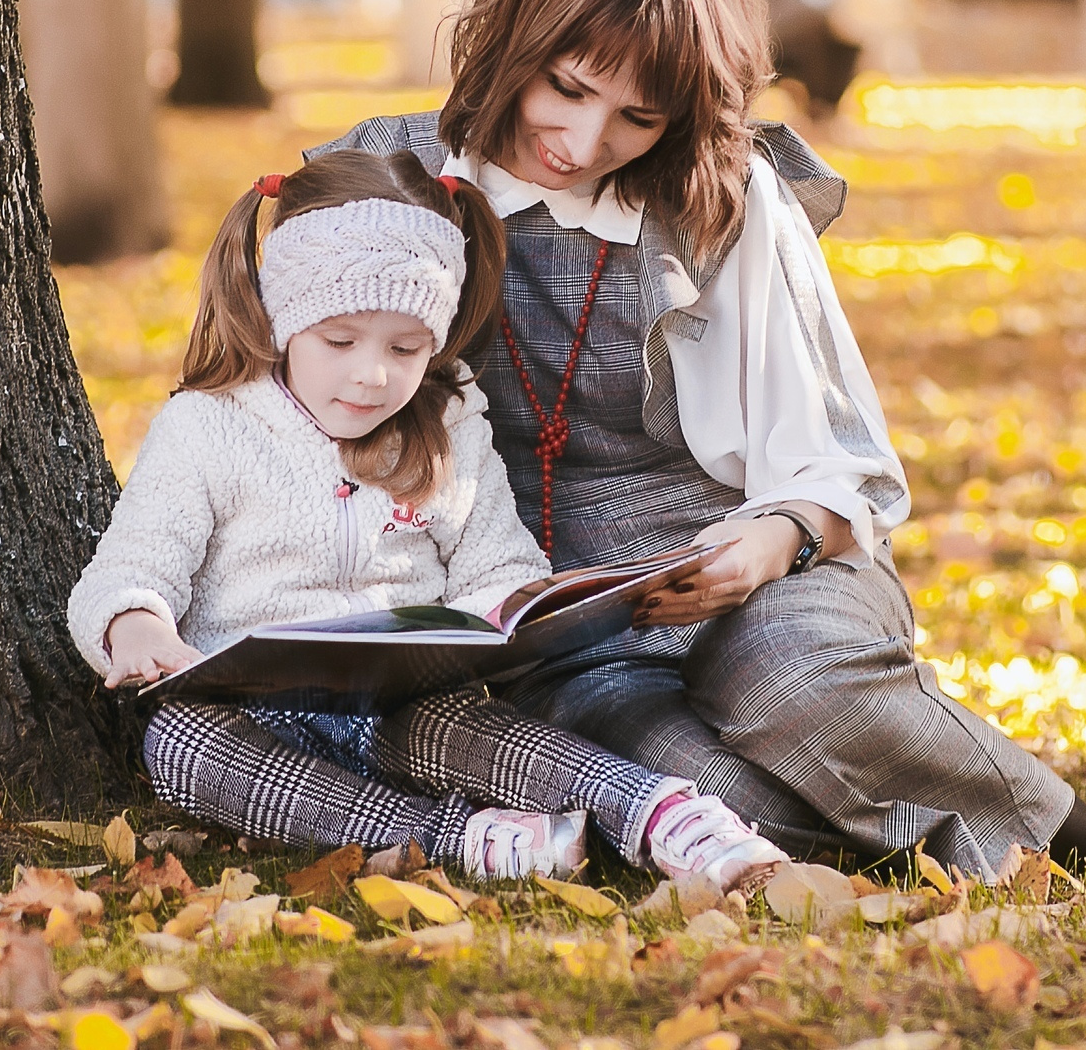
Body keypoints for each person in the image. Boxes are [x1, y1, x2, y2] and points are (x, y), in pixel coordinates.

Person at [317, 0, 1086, 894]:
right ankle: (924, 847)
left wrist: (773, 539)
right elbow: (274, 415)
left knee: (799, 691)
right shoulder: (387, 178)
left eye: (635, 116)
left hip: (745, 565)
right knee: (697, 786)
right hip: (542, 625)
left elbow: (842, 463)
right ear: (516, 39)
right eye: (564, 88)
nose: (581, 138)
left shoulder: (724, 201)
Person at [68, 148, 789, 887]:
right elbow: (127, 570)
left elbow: (501, 571)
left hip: (403, 703)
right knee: (181, 746)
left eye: (406, 348)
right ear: (283, 320)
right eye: (339, 341)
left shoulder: (447, 423)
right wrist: (138, 629)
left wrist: (487, 629)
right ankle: (465, 838)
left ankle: (666, 815)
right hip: (253, 714)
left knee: (470, 730)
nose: (373, 373)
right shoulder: (208, 426)